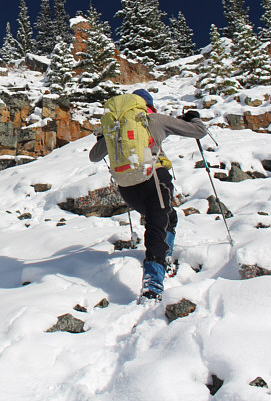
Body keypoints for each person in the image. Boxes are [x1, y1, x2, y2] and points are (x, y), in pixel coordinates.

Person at [89, 88, 207, 303]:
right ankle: (152, 285)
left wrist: (103, 137)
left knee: (167, 219)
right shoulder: (154, 119)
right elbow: (199, 131)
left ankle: (164, 256)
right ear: (147, 105)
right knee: (157, 227)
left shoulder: (115, 128)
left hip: (128, 187)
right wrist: (193, 117)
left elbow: (94, 157)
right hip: (154, 178)